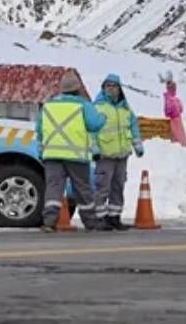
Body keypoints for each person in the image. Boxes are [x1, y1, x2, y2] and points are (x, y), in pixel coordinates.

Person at [36, 73, 107, 232]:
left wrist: (41, 152)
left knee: (53, 188)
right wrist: (103, 117)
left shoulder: (48, 105)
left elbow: (39, 130)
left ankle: (49, 221)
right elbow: (94, 125)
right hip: (76, 156)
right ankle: (91, 222)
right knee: (82, 189)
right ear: (77, 89)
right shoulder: (83, 105)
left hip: (52, 155)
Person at [92, 73, 144, 231]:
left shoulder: (125, 109)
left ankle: (114, 217)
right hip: (105, 155)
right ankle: (99, 218)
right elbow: (91, 131)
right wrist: (94, 149)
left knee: (118, 187)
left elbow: (133, 127)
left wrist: (138, 146)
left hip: (122, 155)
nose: (111, 89)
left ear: (119, 89)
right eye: (108, 86)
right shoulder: (97, 107)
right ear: (103, 88)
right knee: (102, 187)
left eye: (114, 86)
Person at [163, 75, 186, 149]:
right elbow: (167, 112)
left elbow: (181, 109)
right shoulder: (168, 99)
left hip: (178, 120)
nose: (174, 90)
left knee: (181, 136)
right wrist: (174, 111)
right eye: (173, 88)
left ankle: (184, 146)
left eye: (175, 88)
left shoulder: (175, 99)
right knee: (177, 136)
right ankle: (180, 147)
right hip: (174, 120)